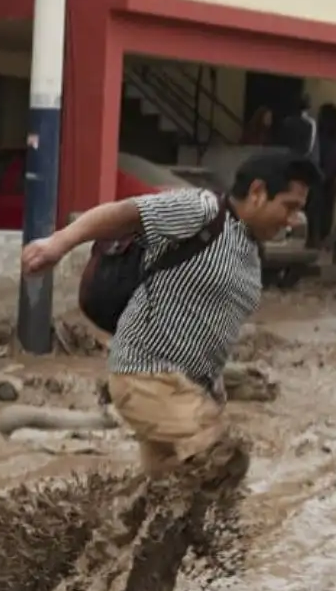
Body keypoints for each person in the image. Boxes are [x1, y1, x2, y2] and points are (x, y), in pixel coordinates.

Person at [21, 151, 320, 473]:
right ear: (258, 192)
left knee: (170, 493)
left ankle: (113, 521)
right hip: (148, 376)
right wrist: (59, 243)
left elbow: (210, 325)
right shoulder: (203, 210)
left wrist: (217, 385)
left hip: (188, 389)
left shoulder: (250, 248)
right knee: (222, 461)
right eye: (289, 207)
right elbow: (126, 212)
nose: (292, 220)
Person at [310, 103, 336, 250]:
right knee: (316, 207)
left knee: (327, 208)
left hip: (333, 175)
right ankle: (316, 239)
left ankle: (324, 238)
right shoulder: (318, 130)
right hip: (318, 173)